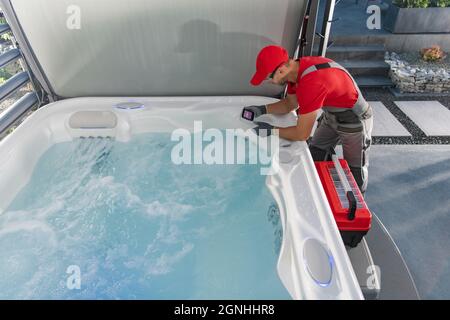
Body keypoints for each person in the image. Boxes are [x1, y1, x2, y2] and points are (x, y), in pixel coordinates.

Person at [244, 45, 373, 195]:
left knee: (354, 173)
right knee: (315, 153)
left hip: (354, 120)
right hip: (331, 116)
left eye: (269, 78)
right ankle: (322, 196)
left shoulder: (311, 83)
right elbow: (290, 104)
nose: (270, 82)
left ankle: (357, 211)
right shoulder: (297, 70)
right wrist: (262, 110)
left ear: (281, 71)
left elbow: (301, 134)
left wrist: (271, 130)